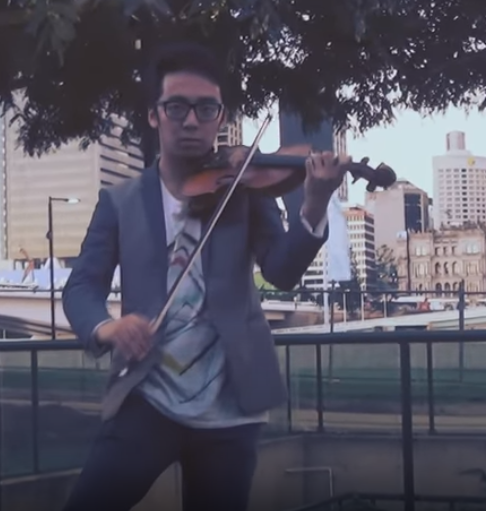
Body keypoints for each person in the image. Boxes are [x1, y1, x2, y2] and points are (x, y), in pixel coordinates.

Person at [61, 40, 348, 511]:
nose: (191, 121)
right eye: (176, 107)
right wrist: (108, 327)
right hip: (147, 397)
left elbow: (281, 271)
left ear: (220, 117)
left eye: (206, 109)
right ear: (154, 115)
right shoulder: (120, 201)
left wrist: (314, 204)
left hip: (231, 407)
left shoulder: (245, 189)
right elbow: (81, 287)